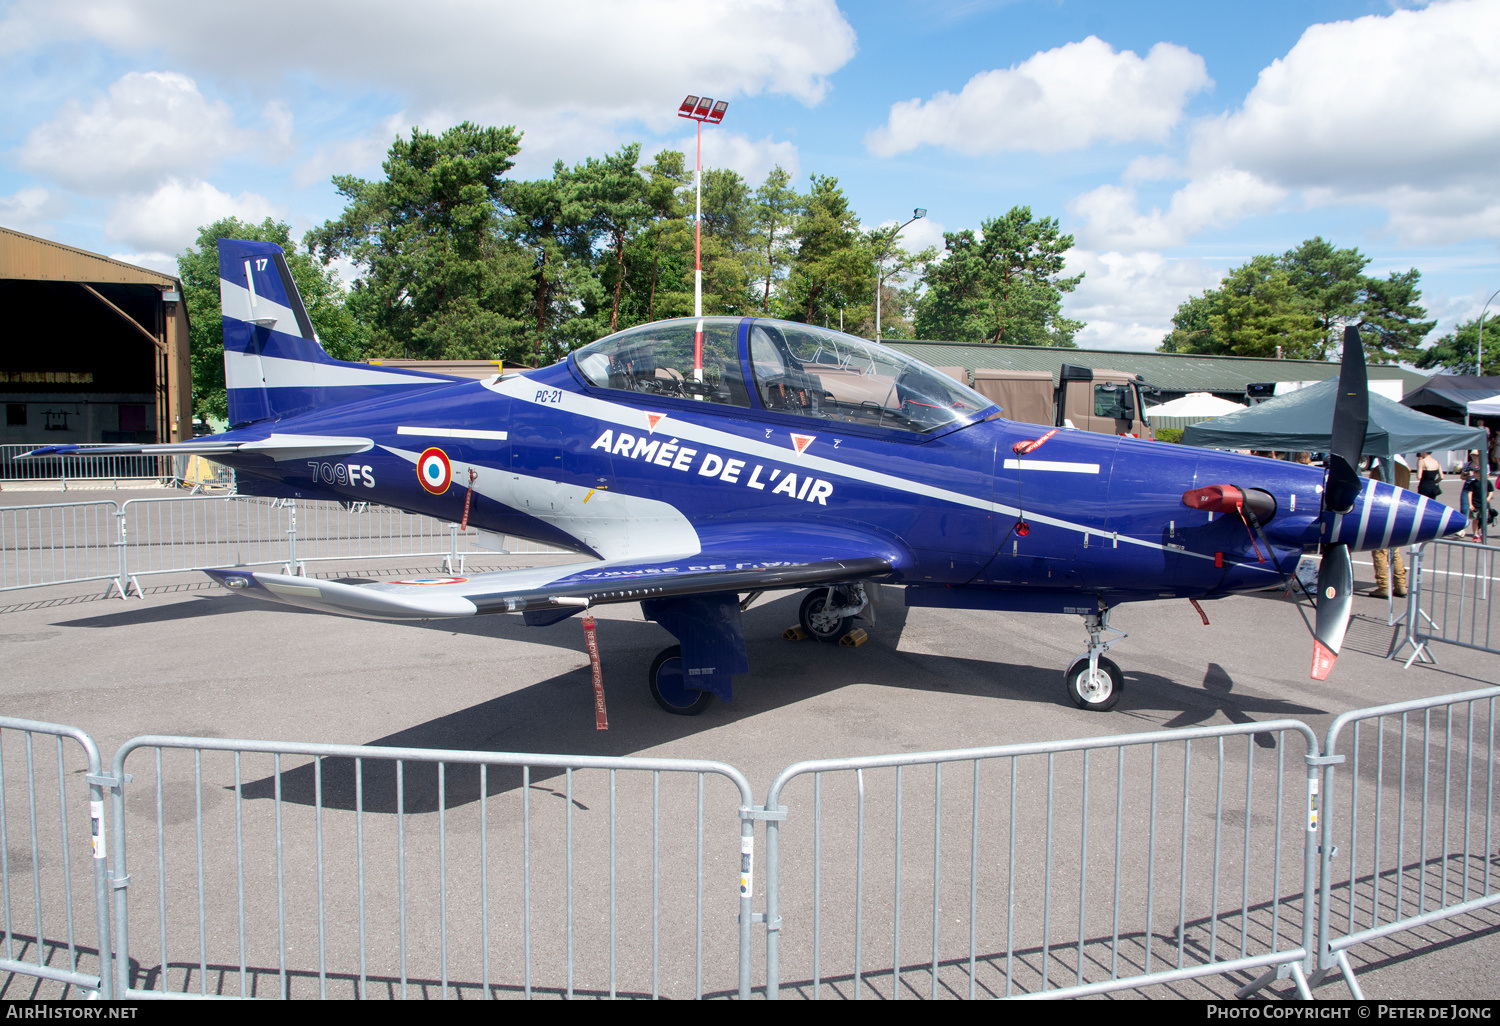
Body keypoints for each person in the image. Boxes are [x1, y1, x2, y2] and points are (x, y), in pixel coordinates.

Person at [1367, 457, 1408, 598]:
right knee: (1394, 550)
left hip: (1382, 513)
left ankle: (1384, 585)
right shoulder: (1404, 469)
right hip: (1400, 512)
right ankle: (1400, 584)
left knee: (1379, 551)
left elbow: (1374, 492)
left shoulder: (1381, 469)